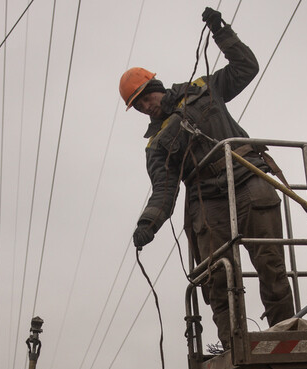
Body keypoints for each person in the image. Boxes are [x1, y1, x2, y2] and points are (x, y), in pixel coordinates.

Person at [124, 7, 295, 351]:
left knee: (270, 264)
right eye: (138, 105)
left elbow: (246, 68)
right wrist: (148, 223)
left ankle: (288, 333)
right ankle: (235, 343)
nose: (146, 105)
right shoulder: (157, 145)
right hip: (207, 200)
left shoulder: (203, 89)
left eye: (146, 96)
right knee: (218, 278)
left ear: (156, 86)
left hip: (248, 178)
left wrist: (221, 31)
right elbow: (165, 189)